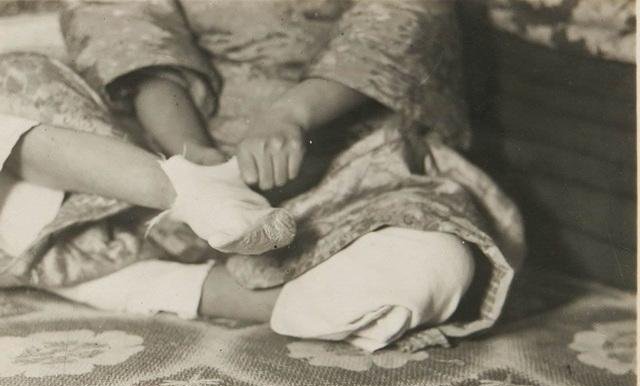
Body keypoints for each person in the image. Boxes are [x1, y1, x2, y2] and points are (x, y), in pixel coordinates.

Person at [0, 0, 524, 352]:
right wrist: (193, 154)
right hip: (156, 155)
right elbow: (123, 26)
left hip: (342, 160)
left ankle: (183, 285)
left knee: (435, 267)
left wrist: (290, 115)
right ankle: (188, 196)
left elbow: (405, 19)